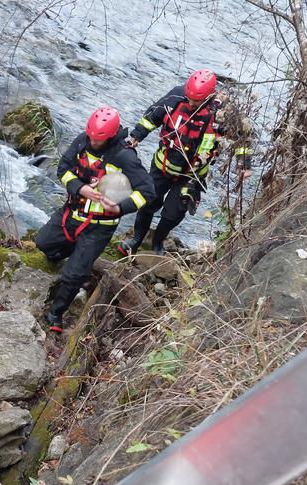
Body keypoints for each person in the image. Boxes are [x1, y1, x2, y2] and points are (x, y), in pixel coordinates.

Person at [34, 106, 154, 333]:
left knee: (74, 274)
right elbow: (63, 168)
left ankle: (56, 313)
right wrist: (80, 188)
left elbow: (147, 191)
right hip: (72, 213)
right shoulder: (82, 141)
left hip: (99, 227)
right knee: (43, 243)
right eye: (90, 137)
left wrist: (119, 207)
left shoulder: (124, 157)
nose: (92, 142)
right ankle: (74, 252)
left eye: (97, 140)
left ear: (110, 137)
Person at [117, 69, 254, 256]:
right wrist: (136, 136)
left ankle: (157, 243)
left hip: (192, 174)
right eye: (189, 98)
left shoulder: (224, 113)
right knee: (147, 203)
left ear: (209, 96)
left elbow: (243, 138)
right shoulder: (176, 96)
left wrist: (244, 165)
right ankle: (136, 239)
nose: (191, 103)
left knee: (174, 213)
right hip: (162, 165)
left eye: (196, 101)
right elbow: (152, 117)